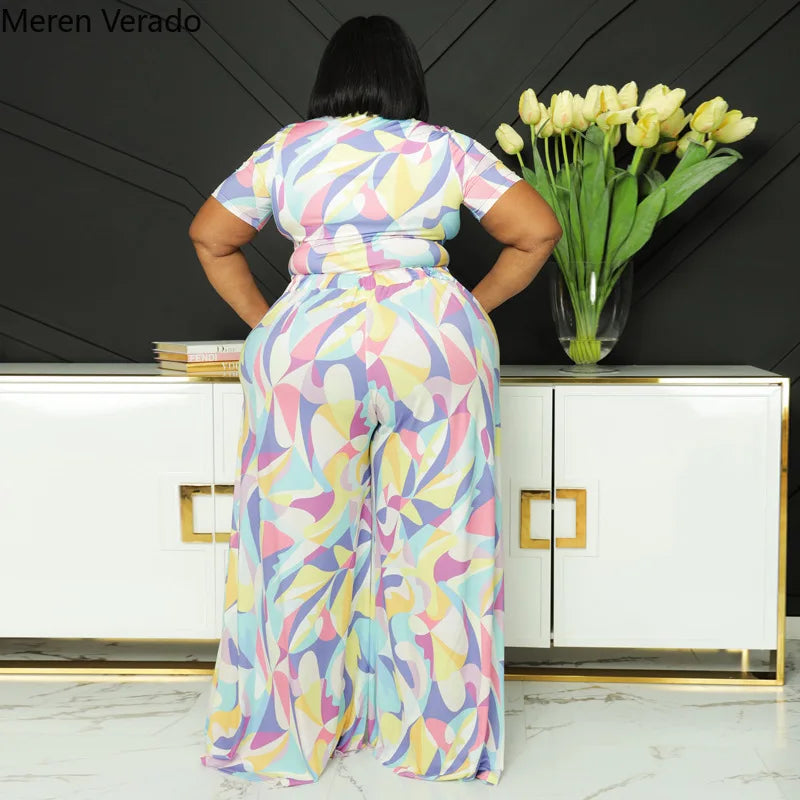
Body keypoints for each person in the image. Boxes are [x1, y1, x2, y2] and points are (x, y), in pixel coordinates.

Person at [188, 14, 561, 787]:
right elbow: (537, 231)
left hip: (310, 344)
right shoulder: (445, 148)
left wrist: (270, 323)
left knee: (292, 545)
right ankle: (437, 744)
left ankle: (281, 740)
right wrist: (468, 308)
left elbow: (210, 236)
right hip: (431, 340)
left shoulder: (289, 148)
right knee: (440, 540)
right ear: (406, 81)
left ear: (331, 78)